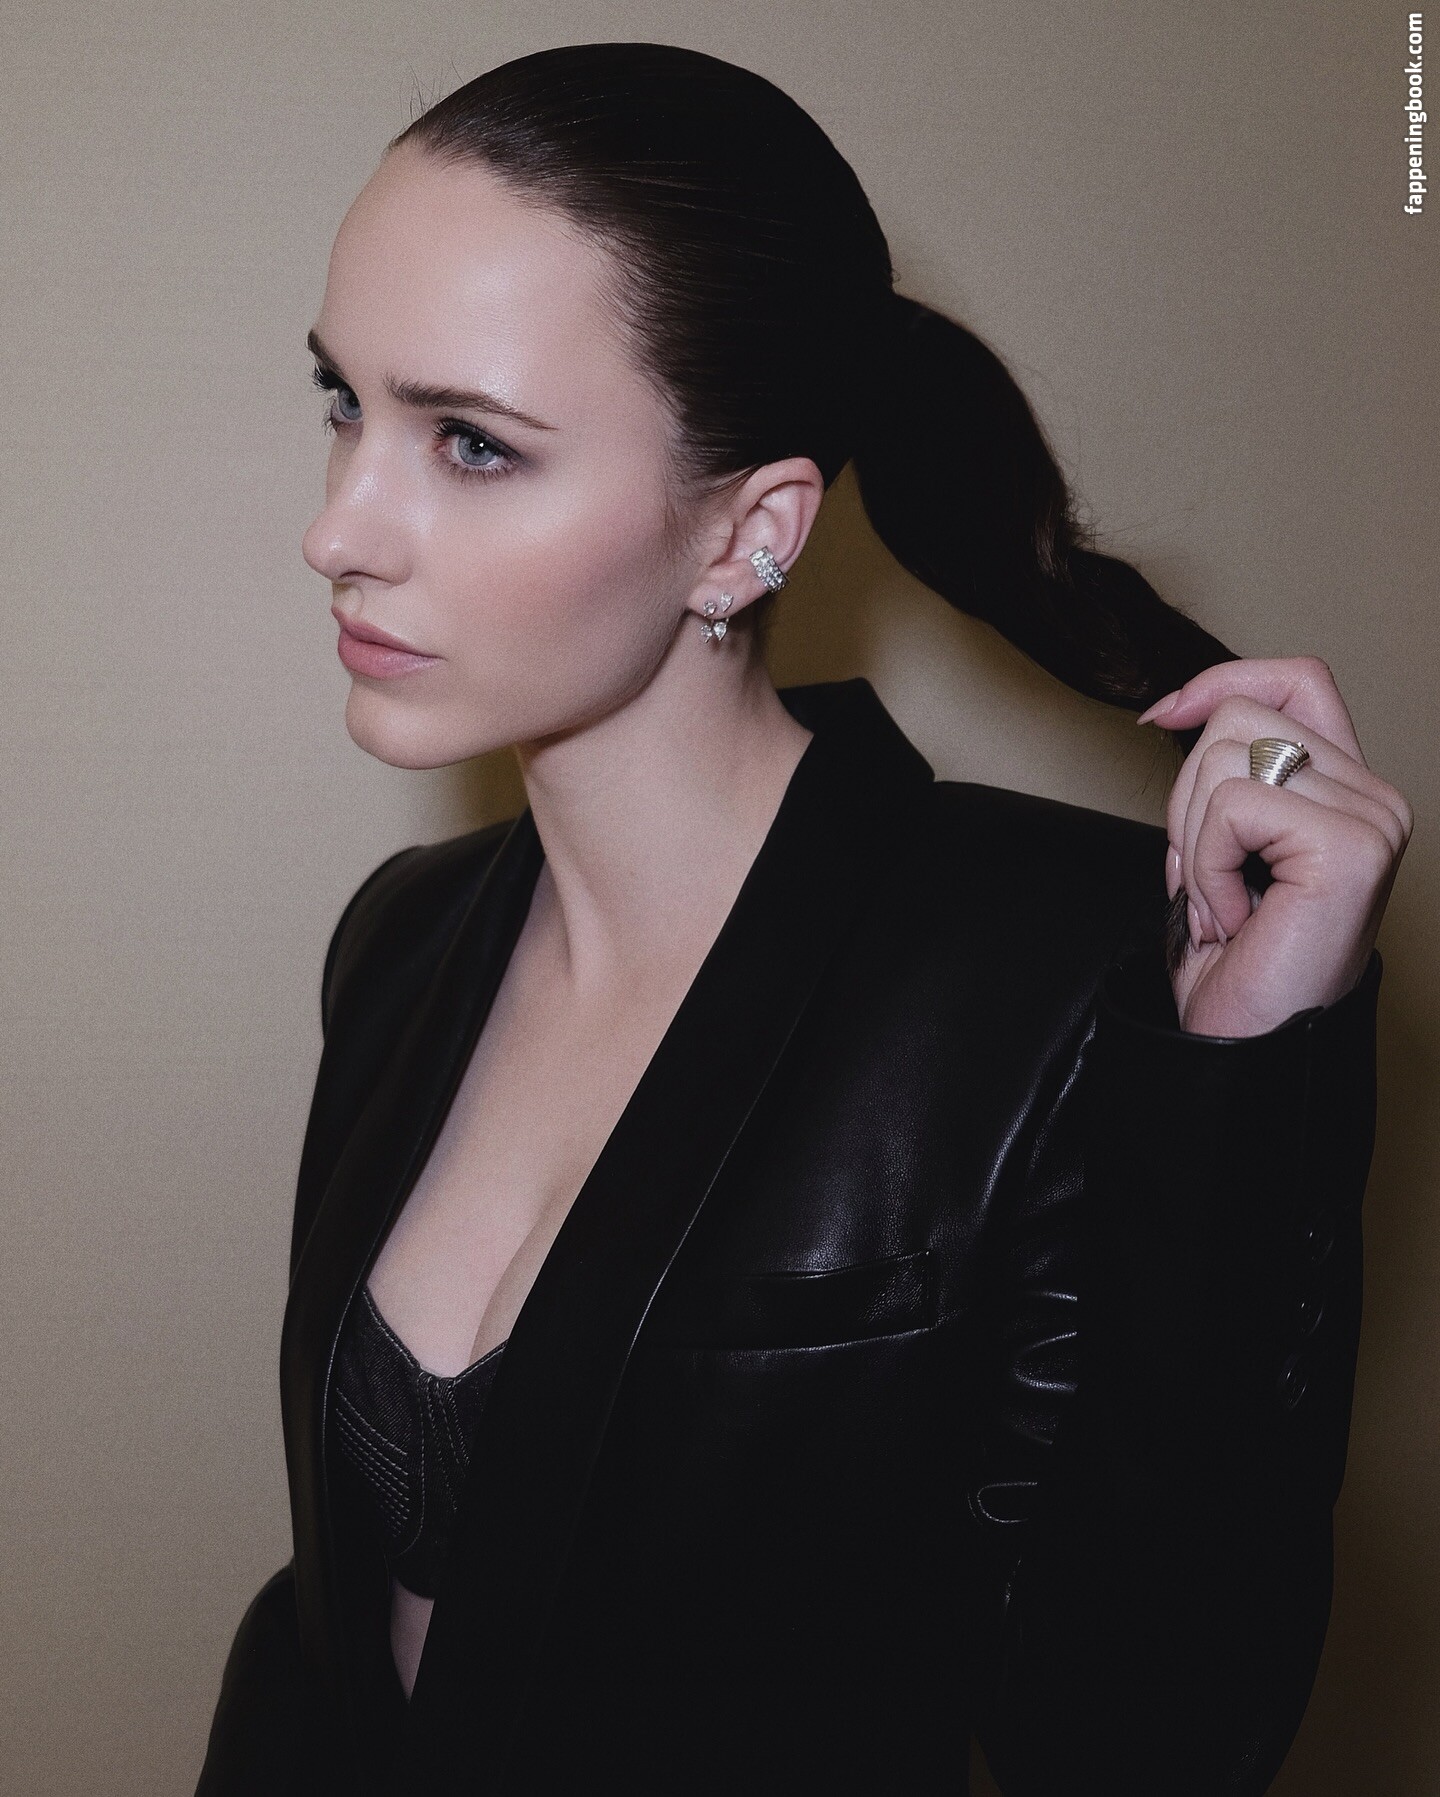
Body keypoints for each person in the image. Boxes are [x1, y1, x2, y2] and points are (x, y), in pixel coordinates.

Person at [195, 41, 1410, 1797]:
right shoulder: (399, 940)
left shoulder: (1065, 978)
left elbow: (1140, 1734)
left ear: (749, 535)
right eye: (343, 402)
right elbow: (337, 1627)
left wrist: (1241, 1075)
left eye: (470, 442)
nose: (337, 530)